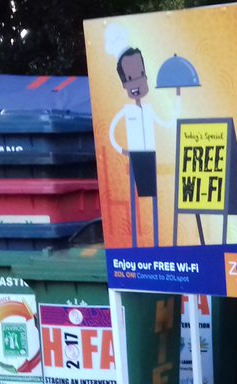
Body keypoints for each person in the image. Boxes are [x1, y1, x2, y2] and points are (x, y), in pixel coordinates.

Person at [106, 31, 172, 247]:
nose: (136, 82)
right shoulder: (127, 112)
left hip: (150, 155)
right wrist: (124, 150)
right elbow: (112, 133)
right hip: (136, 156)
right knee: (135, 200)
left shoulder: (149, 110)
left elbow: (166, 123)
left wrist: (177, 101)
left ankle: (155, 242)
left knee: (153, 198)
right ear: (123, 83)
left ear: (146, 76)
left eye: (140, 75)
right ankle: (136, 243)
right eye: (130, 78)